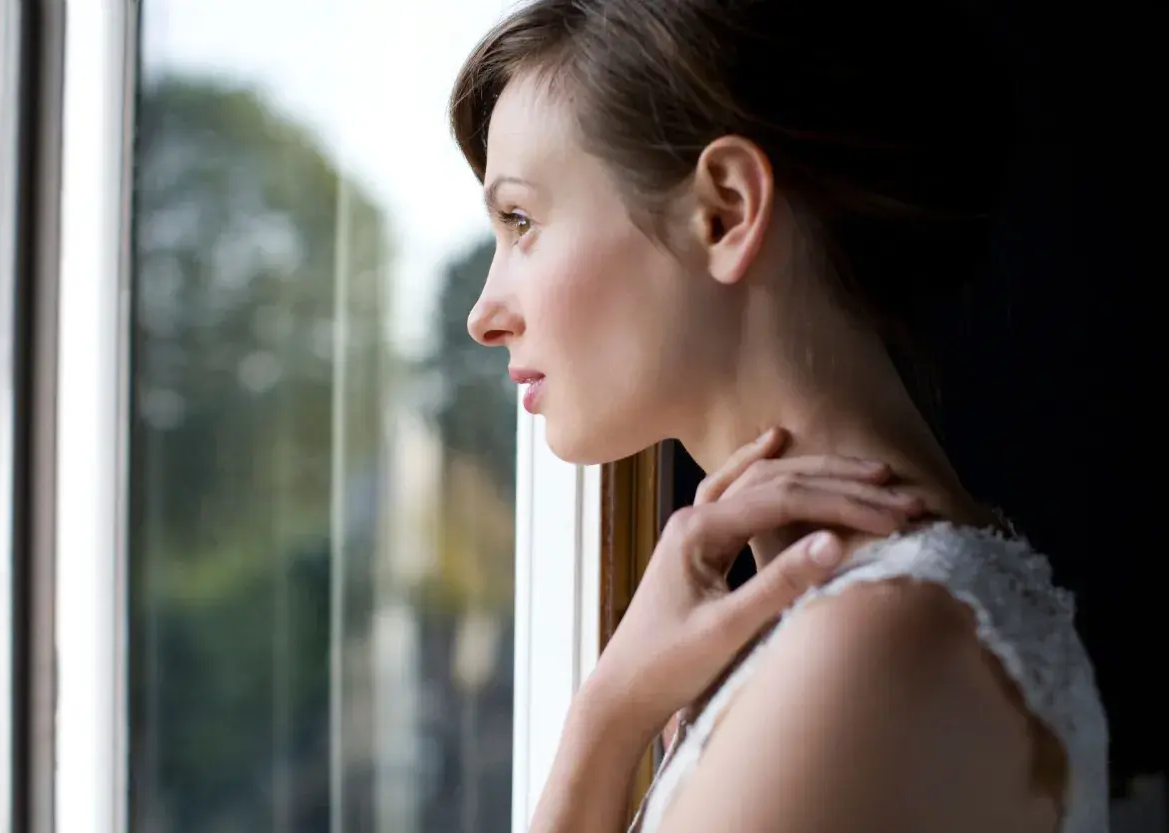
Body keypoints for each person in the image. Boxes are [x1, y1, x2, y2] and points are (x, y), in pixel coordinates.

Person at [449, 0, 1109, 831]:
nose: (483, 314)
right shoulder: (876, 615)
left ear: (724, 211)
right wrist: (614, 710)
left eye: (521, 221)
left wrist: (607, 718)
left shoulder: (868, 643)